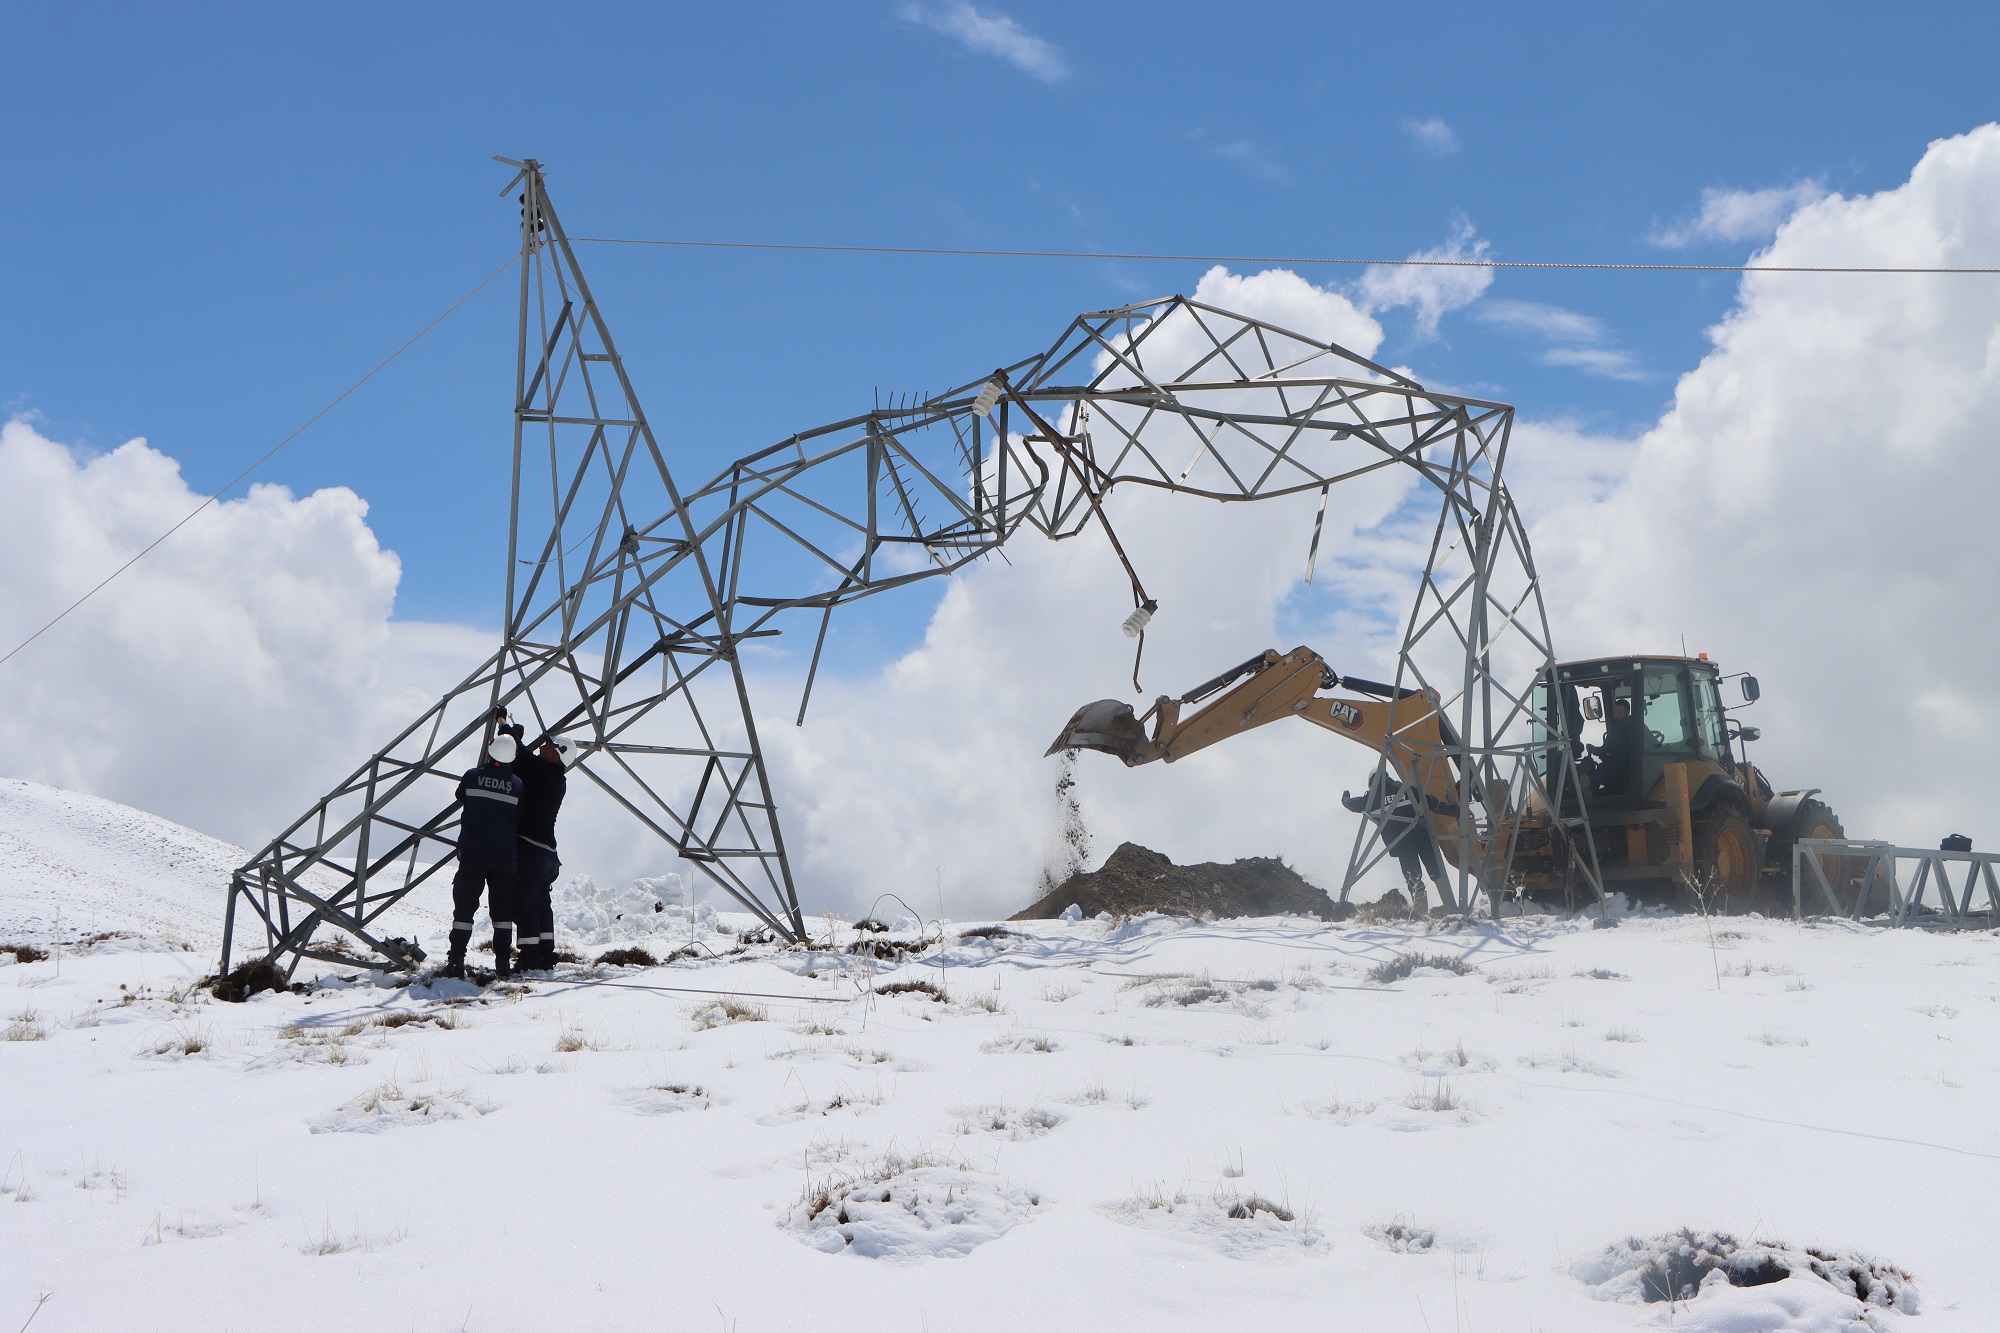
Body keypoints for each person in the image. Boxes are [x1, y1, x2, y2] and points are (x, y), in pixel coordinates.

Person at [446, 729, 525, 980]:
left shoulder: (472, 776)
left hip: (473, 854)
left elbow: (461, 796)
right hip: (503, 858)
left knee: (464, 910)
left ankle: (456, 960)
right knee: (502, 914)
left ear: (490, 750)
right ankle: (502, 964)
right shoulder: (517, 785)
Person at [504, 722, 572, 971]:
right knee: (541, 902)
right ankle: (545, 952)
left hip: (532, 850)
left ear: (557, 754)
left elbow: (522, 761)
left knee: (526, 901)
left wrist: (508, 734)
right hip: (546, 854)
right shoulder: (553, 778)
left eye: (547, 745)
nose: (542, 746)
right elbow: (526, 762)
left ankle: (530, 955)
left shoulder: (545, 773)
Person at [1342, 769, 1460, 914]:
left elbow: (1353, 805)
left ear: (1371, 782)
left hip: (1402, 843)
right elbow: (1433, 803)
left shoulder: (1372, 798)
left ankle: (1420, 912)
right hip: (1423, 837)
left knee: (1413, 876)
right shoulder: (1406, 789)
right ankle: (1451, 906)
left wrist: (1345, 799)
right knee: (1436, 871)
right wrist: (1456, 811)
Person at [1591, 696, 1641, 795]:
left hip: (1632, 762)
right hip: (1617, 761)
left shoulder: (1637, 726)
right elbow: (1606, 748)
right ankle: (1590, 790)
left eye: (1619, 713)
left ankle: (1590, 790)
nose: (1616, 716)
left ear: (1627, 712)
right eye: (1614, 713)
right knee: (1601, 767)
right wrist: (1595, 750)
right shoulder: (1614, 728)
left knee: (1607, 769)